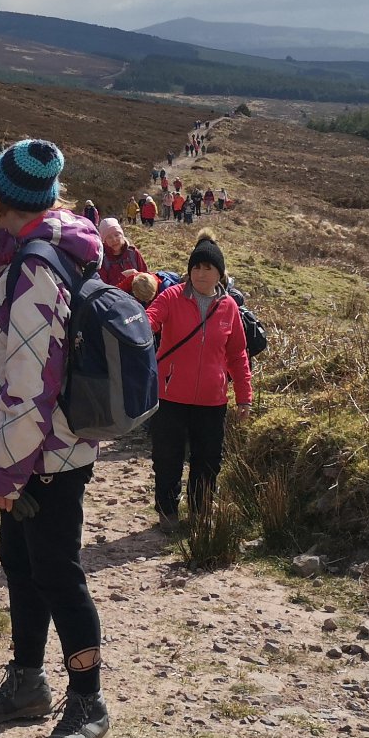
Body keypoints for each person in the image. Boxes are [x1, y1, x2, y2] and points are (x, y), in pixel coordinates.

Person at [0, 139, 111, 738]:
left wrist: (5, 472)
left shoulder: (33, 269)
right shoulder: (53, 252)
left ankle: (88, 700)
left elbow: (27, 384)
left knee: (57, 574)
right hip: (49, 452)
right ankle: (27, 684)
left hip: (44, 457)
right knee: (23, 567)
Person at [143, 233, 253, 530]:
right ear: (189, 270)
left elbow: (237, 354)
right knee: (167, 457)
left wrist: (244, 396)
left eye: (208, 268)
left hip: (212, 400)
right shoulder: (171, 296)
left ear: (220, 273)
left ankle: (200, 511)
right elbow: (148, 321)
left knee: (208, 460)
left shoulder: (229, 307)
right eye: (196, 267)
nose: (201, 273)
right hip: (169, 395)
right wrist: (130, 322)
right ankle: (167, 512)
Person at [96, 216, 145, 288]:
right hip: (115, 297)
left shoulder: (133, 253)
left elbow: (146, 275)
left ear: (122, 235)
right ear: (104, 241)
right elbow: (103, 288)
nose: (114, 240)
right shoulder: (102, 260)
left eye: (117, 235)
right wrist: (122, 276)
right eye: (109, 237)